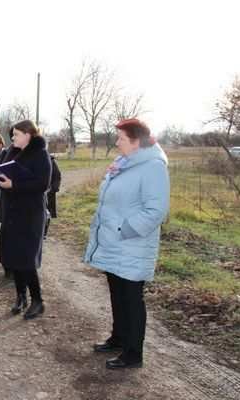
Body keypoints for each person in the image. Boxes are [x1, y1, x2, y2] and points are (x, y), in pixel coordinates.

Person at [85, 118, 169, 370]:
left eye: (121, 138)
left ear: (135, 141)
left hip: (131, 244)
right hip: (114, 243)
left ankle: (133, 354)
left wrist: (124, 230)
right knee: (117, 295)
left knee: (132, 299)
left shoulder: (153, 166)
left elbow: (156, 211)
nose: (117, 142)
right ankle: (118, 338)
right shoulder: (124, 163)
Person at [0, 120, 51, 320]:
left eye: (17, 134)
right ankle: (21, 297)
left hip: (30, 215)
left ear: (29, 135)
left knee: (27, 259)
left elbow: (43, 184)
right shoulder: (11, 152)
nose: (13, 138)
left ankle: (38, 301)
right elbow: (4, 174)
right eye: (13, 135)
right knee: (13, 258)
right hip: (12, 213)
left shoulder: (40, 154)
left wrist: (14, 185)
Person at [44, 155, 62, 239]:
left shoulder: (51, 160)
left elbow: (57, 176)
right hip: (35, 192)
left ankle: (44, 233)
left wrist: (54, 189)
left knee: (47, 213)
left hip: (48, 193)